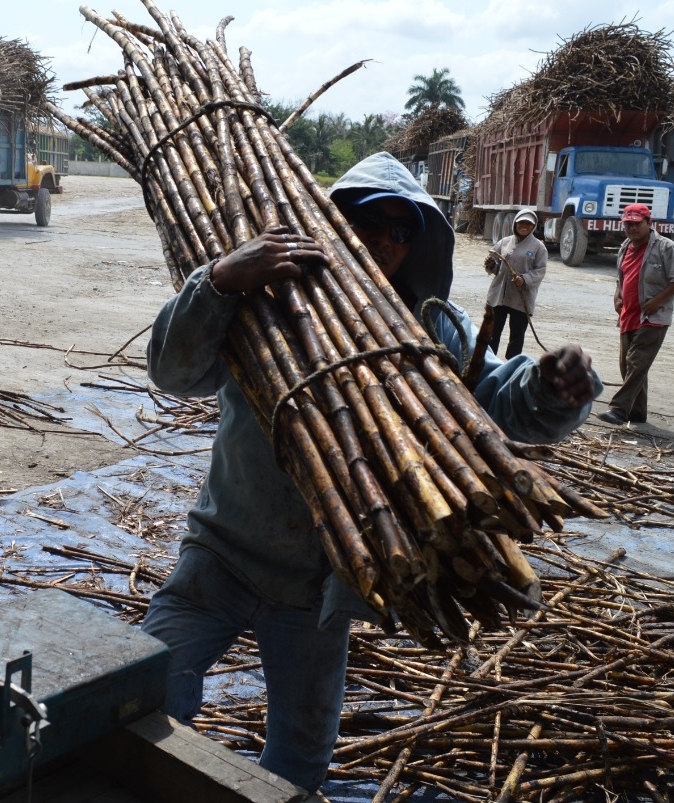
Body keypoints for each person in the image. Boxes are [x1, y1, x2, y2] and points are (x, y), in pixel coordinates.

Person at [141, 152, 603, 794]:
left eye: (402, 230)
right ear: (332, 223)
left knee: (300, 758)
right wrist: (219, 279)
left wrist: (553, 387)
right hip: (220, 553)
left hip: (322, 583)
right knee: (140, 694)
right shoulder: (264, 296)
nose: (386, 241)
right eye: (371, 223)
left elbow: (496, 397)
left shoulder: (428, 326)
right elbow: (172, 372)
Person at [596, 203, 674, 426]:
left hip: (653, 317)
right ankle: (637, 413)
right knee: (628, 366)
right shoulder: (625, 247)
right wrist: (617, 295)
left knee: (637, 362)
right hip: (628, 315)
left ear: (649, 223)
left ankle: (619, 410)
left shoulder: (665, 247)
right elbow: (621, 277)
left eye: (637, 224)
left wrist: (657, 301)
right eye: (628, 224)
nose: (632, 228)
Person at [484, 207, 548, 358]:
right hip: (500, 295)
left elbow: (540, 272)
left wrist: (524, 279)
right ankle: (489, 362)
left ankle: (512, 365)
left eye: (528, 224)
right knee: (492, 333)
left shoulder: (539, 247)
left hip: (521, 298)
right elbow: (498, 268)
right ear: (515, 224)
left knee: (517, 336)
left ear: (533, 226)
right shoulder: (504, 242)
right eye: (521, 223)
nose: (524, 226)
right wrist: (491, 265)